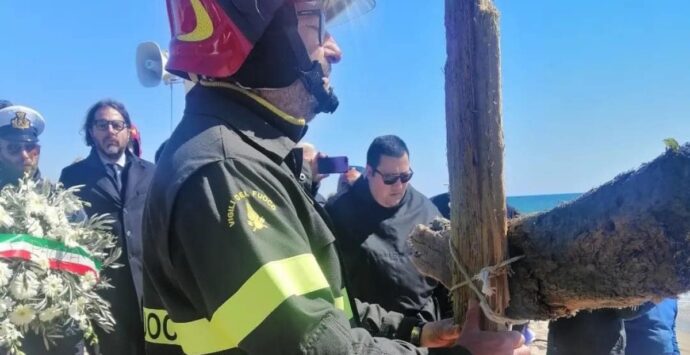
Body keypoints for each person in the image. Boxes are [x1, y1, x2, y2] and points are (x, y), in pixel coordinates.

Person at [142, 1, 528, 354]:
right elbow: (313, 344)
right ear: (261, 38)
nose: (335, 50)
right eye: (317, 26)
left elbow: (317, 305)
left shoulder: (244, 159)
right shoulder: (225, 172)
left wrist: (413, 332)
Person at [59, 99, 154, 355]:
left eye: (116, 124)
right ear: (91, 132)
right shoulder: (72, 176)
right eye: (102, 125)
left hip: (151, 291)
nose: (110, 130)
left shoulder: (152, 173)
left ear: (128, 130)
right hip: (105, 296)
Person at [326, 135, 444, 322]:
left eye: (405, 176)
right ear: (370, 172)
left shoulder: (427, 210)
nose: (399, 186)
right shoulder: (338, 212)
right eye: (390, 178)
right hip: (371, 329)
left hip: (423, 325)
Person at [0, 105, 83, 354]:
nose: (25, 155)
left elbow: (87, 259)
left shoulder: (62, 201)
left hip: (61, 333)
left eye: (31, 148)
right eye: (14, 148)